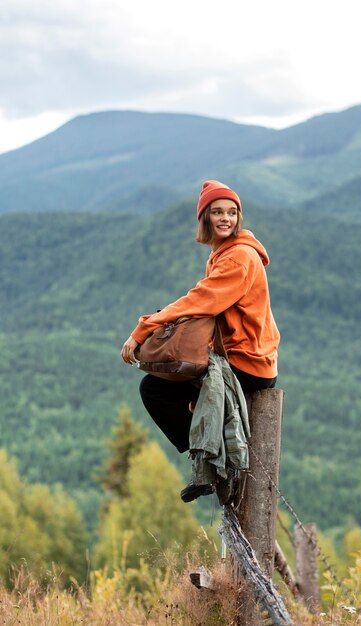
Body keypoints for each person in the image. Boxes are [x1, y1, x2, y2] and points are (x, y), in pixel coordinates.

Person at [121, 180, 280, 500]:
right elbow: (206, 306)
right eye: (217, 212)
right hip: (244, 356)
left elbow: (200, 301)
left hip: (247, 363)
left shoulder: (238, 258)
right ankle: (213, 457)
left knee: (154, 389)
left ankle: (210, 463)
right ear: (204, 217)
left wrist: (144, 328)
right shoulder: (224, 253)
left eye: (232, 212)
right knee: (174, 385)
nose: (226, 218)